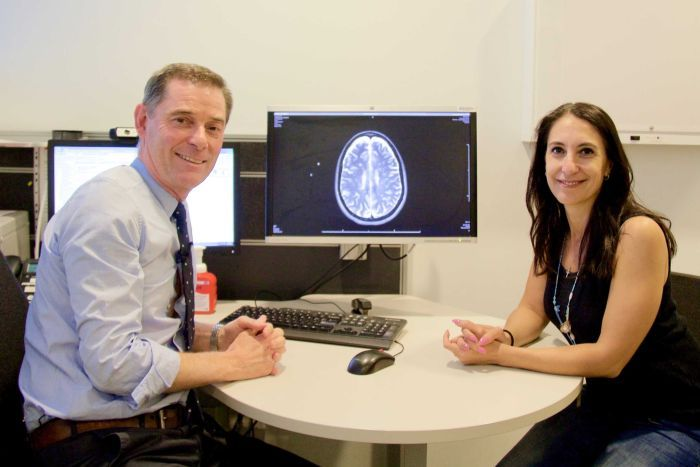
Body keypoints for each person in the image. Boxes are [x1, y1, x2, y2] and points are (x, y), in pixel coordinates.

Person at [19, 63, 313, 466]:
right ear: (143, 120)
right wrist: (233, 363)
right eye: (182, 121)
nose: (200, 140)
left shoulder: (159, 203)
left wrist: (216, 338)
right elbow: (114, 364)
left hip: (154, 430)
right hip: (101, 446)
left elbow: (143, 324)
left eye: (213, 127)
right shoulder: (110, 211)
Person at [443, 102, 700, 466]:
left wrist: (505, 356)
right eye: (557, 151)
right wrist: (503, 337)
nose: (568, 166)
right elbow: (532, 309)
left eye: (586, 152)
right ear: (543, 161)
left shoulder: (637, 234)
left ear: (609, 164)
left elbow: (609, 359)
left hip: (669, 419)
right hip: (601, 407)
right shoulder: (554, 230)